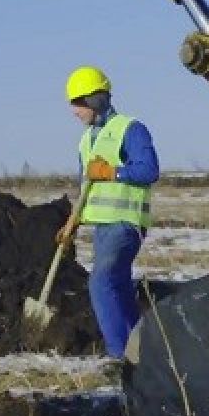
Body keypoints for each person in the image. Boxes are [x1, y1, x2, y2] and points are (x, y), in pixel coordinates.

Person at [56, 66, 159, 360]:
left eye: (77, 103)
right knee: (119, 287)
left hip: (126, 226)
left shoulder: (130, 129)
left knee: (101, 282)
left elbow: (149, 170)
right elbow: (86, 188)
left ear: (94, 99)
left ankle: (118, 358)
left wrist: (112, 171)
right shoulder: (86, 140)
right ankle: (145, 354)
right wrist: (72, 221)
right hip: (103, 228)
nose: (74, 111)